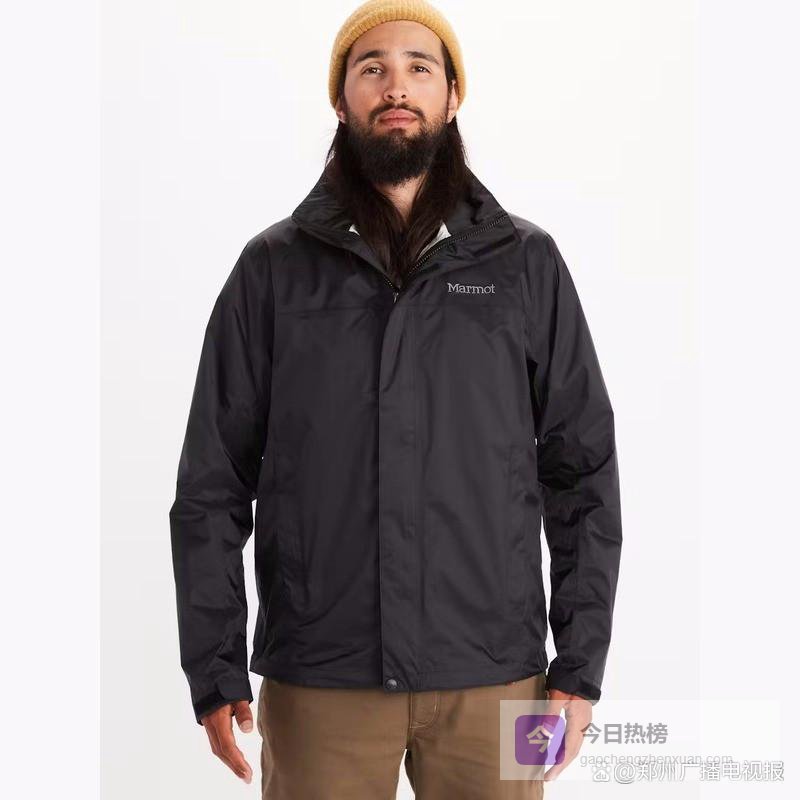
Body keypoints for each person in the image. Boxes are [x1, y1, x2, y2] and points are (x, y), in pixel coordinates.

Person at [168, 1, 623, 797]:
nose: (396, 87)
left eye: (420, 67)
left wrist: (579, 669)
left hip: (496, 678)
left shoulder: (524, 263)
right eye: (371, 68)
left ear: (453, 94)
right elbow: (212, 481)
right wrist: (214, 666)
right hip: (322, 678)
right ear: (341, 99)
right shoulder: (274, 269)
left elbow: (582, 471)